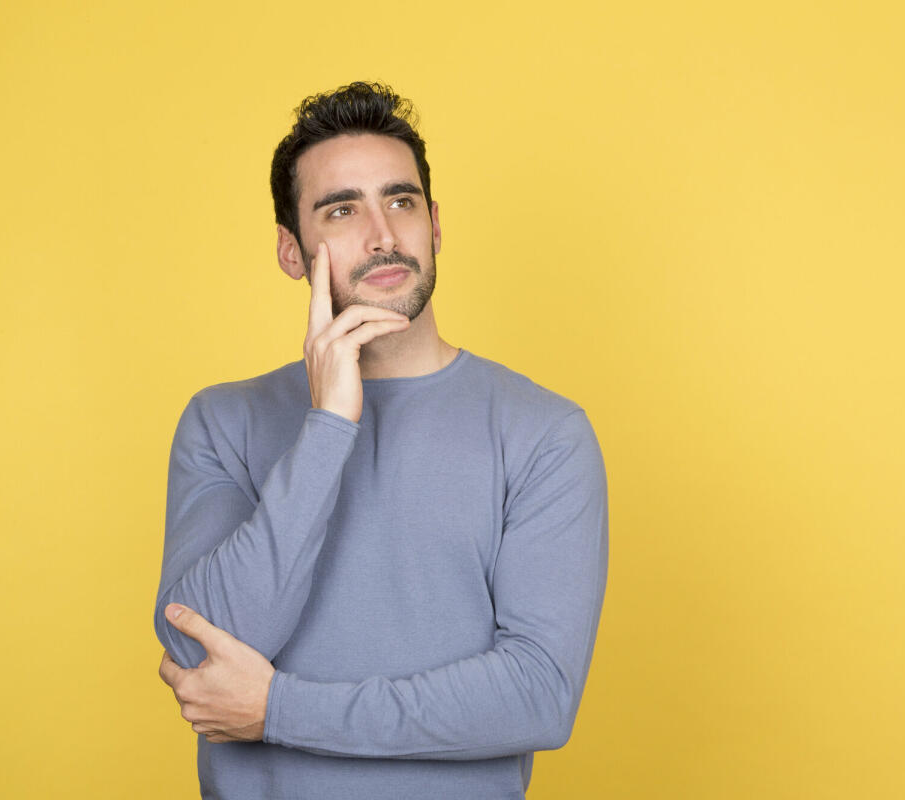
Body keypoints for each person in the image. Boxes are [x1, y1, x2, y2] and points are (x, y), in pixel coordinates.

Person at [153, 81, 608, 800]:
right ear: (291, 251)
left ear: (435, 222)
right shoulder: (223, 421)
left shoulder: (543, 433)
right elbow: (196, 650)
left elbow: (538, 695)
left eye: (401, 202)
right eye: (341, 210)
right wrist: (329, 425)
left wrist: (280, 710)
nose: (383, 235)